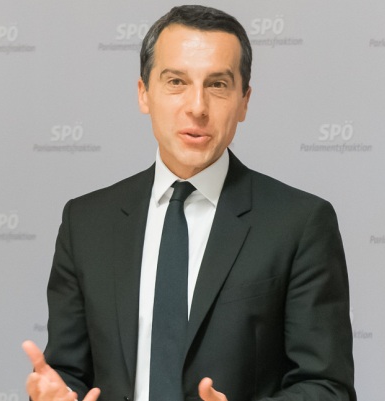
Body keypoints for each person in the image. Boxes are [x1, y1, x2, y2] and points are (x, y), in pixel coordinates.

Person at [23, 5, 355, 401]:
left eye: (217, 84)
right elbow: (69, 374)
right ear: (144, 93)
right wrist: (57, 394)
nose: (197, 106)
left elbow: (327, 386)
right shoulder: (86, 222)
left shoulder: (300, 223)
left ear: (244, 101)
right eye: (176, 81)